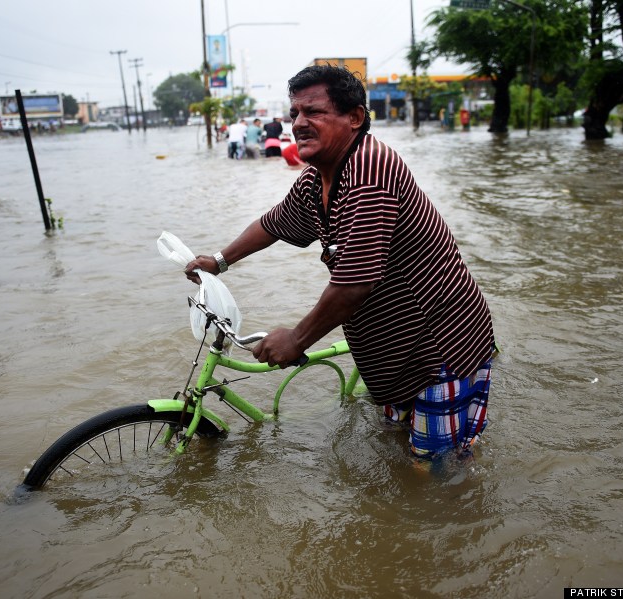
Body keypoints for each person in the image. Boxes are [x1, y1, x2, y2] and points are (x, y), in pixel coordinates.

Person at [185, 65, 495, 460]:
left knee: (436, 474)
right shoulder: (317, 178)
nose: (299, 123)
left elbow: (354, 285)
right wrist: (219, 260)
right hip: (392, 349)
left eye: (313, 112)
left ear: (355, 118)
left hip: (439, 349)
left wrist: (297, 338)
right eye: (294, 113)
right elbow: (273, 222)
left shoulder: (370, 169)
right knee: (398, 455)